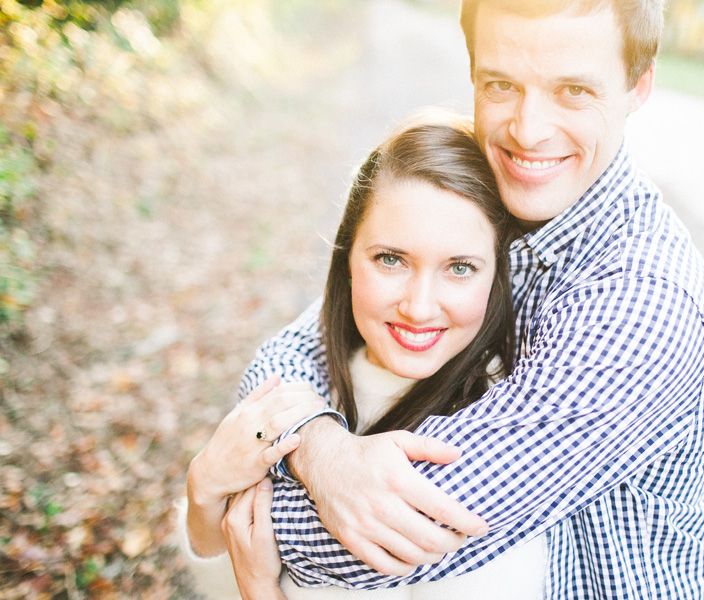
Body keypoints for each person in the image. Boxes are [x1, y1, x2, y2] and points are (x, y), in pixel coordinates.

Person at [233, 0, 704, 598]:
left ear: (636, 85)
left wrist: (234, 479)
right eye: (501, 84)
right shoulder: (503, 185)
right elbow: (301, 346)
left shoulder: (644, 304)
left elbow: (391, 538)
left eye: (573, 89)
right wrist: (316, 445)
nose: (528, 129)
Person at [179, 115, 549, 599]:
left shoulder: (505, 427)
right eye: (391, 259)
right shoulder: (300, 386)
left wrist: (260, 591)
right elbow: (216, 565)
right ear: (348, 260)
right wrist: (202, 487)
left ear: (496, 276)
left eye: (460, 268)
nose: (418, 307)